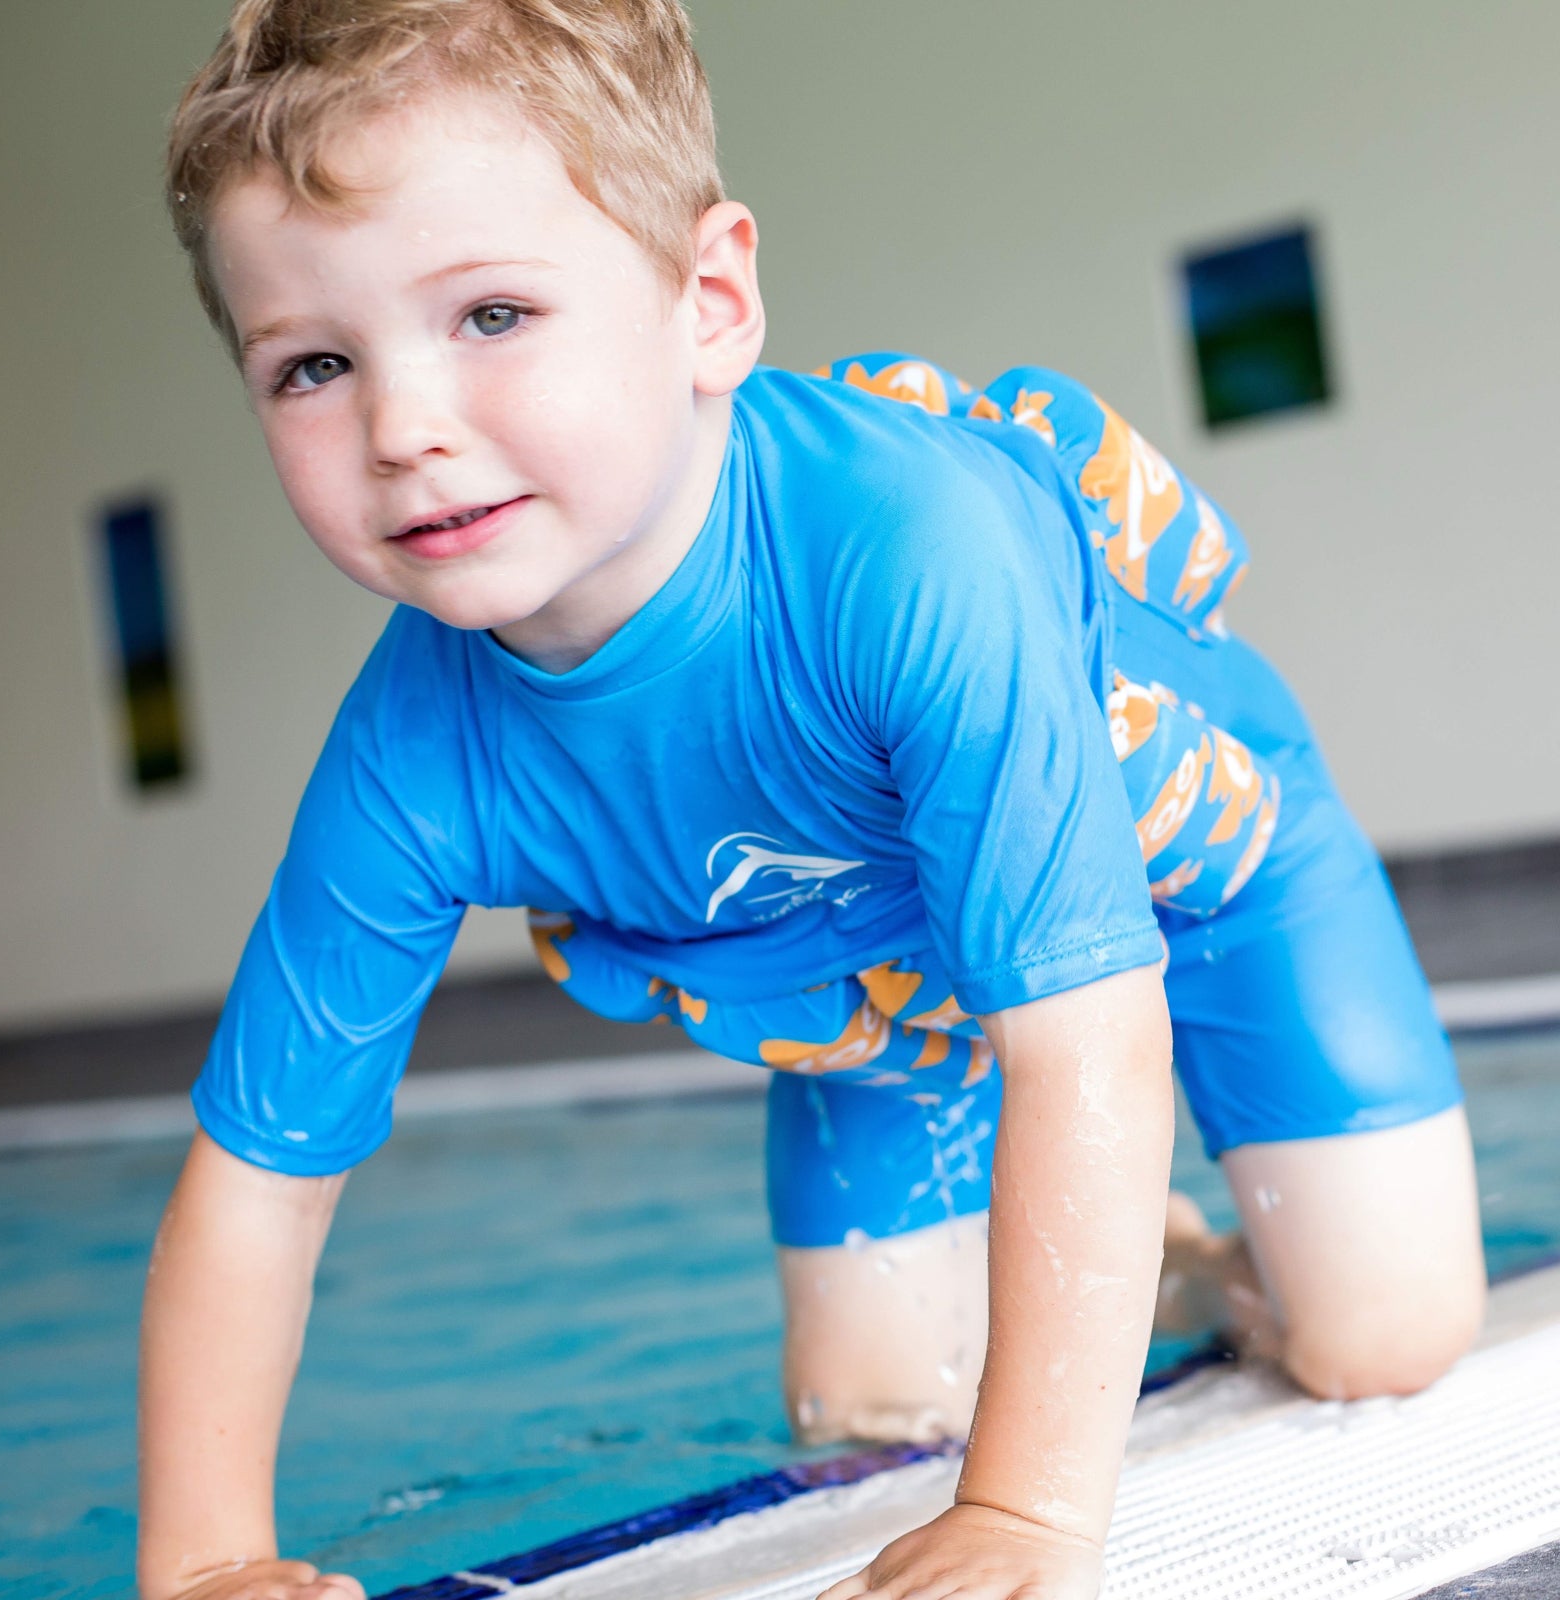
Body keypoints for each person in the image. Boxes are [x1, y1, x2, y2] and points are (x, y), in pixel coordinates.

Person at [140, 3, 1487, 1597]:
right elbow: (258, 1179)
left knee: (1380, 1341)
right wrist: (208, 1559)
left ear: (709, 304)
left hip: (1201, 887)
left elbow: (1090, 1036)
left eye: (493, 314)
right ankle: (1173, 1267)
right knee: (873, 1421)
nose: (403, 428)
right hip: (876, 989)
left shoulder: (906, 552)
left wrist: (1032, 1514)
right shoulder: (412, 755)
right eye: (312, 364)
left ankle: (1236, 1272)